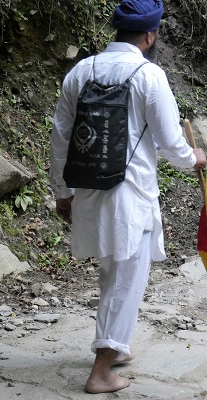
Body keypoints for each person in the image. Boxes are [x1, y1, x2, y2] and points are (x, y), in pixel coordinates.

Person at [50, 0, 207, 394]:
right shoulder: (149, 75)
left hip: (88, 190)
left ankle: (114, 348)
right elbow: (172, 143)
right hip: (129, 197)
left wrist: (62, 193)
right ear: (150, 35)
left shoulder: (81, 70)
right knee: (127, 280)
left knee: (112, 273)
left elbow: (61, 137)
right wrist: (195, 157)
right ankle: (101, 371)